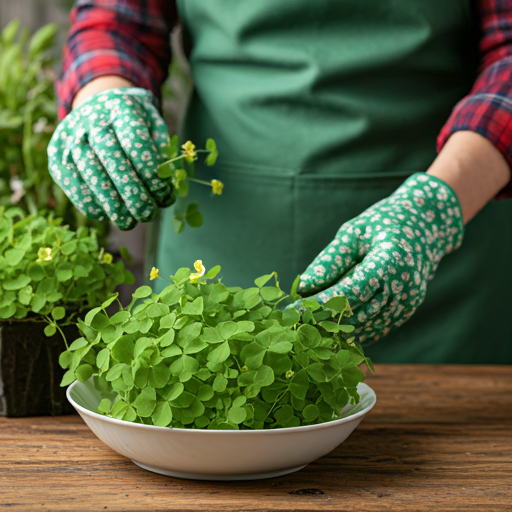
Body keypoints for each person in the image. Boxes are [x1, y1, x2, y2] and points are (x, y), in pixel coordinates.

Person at [48, 0, 512, 364]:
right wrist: (102, 97)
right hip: (221, 242)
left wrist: (434, 210)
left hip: (447, 243)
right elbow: (117, 20)